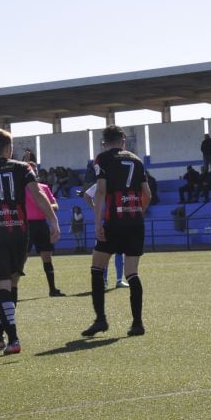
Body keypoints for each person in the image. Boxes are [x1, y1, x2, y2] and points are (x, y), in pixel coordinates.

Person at [0, 129, 60, 355]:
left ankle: (13, 338)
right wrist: (54, 221)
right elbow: (38, 195)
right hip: (19, 232)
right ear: (8, 148)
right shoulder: (23, 168)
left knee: (0, 285)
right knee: (12, 283)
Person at [81, 125, 151, 337]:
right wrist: (137, 212)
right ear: (123, 140)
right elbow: (147, 194)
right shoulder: (136, 160)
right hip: (135, 222)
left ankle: (101, 320)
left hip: (114, 221)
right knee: (132, 273)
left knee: (97, 267)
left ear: (104, 142)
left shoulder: (102, 159)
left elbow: (100, 191)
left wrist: (98, 222)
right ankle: (137, 324)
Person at [26, 169, 64, 297]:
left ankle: (52, 289)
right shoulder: (20, 189)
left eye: (34, 169)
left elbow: (55, 206)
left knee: (47, 256)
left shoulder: (44, 187)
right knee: (21, 258)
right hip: (27, 225)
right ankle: (10, 290)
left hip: (42, 224)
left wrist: (44, 205)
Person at [83, 183, 126, 289]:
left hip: (123, 221)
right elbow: (87, 195)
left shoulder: (123, 179)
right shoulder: (103, 182)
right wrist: (96, 210)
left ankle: (119, 280)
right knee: (105, 253)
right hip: (108, 222)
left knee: (120, 252)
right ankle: (104, 281)